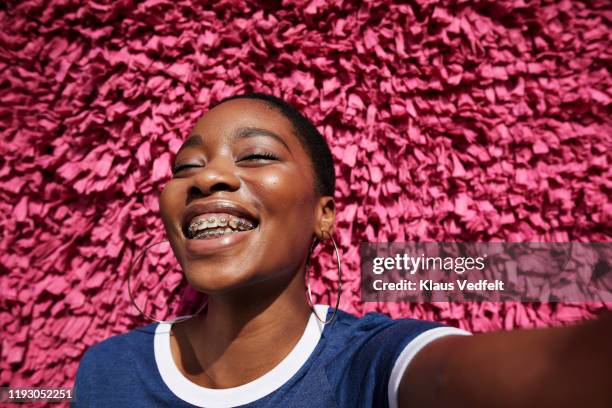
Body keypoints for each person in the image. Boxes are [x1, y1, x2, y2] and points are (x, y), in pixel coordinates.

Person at [72, 92, 611, 407]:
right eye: (186, 167)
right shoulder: (104, 372)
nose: (209, 176)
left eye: (256, 155)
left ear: (324, 216)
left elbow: (507, 374)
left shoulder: (370, 365)